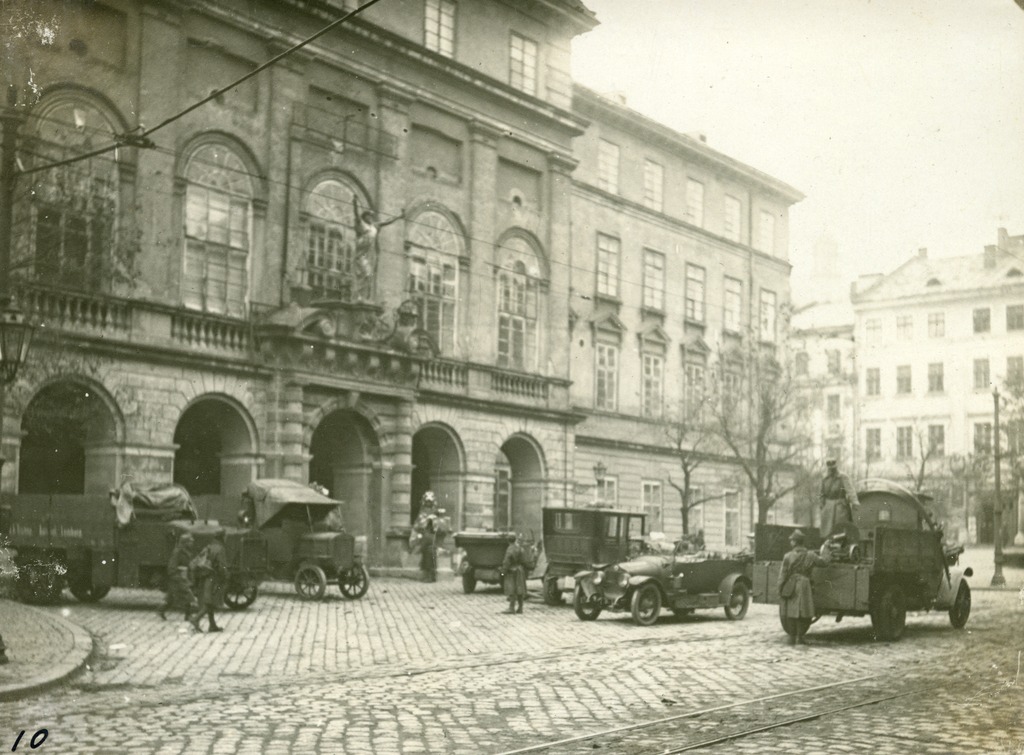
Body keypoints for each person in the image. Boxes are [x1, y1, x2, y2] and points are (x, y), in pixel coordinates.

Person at [777, 529, 829, 646]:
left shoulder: (788, 556)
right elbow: (824, 562)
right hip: (805, 585)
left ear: (795, 542)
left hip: (792, 584)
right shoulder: (811, 555)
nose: (790, 542)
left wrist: (780, 589)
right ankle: (800, 638)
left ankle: (791, 638)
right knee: (804, 611)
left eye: (792, 540)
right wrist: (826, 548)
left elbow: (783, 574)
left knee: (791, 611)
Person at [352, 197, 403, 301]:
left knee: (369, 275)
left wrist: (399, 216)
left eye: (371, 216)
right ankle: (358, 297)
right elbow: (356, 214)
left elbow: (387, 222)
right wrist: (355, 203)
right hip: (361, 255)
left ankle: (364, 297)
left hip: (370, 255)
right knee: (363, 274)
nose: (370, 218)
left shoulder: (375, 226)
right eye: (368, 216)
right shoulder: (361, 224)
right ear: (364, 217)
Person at [190, 531, 228, 633]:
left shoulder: (209, 546)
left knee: (209, 601)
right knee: (210, 602)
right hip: (213, 579)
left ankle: (212, 625)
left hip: (205, 577)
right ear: (222, 537)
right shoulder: (220, 549)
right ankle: (196, 619)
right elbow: (222, 566)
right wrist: (225, 576)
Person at [159, 532, 198, 622]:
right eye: (190, 542)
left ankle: (161, 610)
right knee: (188, 595)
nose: (192, 543)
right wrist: (177, 577)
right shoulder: (178, 552)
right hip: (178, 577)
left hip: (183, 577)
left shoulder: (185, 551)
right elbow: (172, 567)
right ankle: (188, 615)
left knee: (172, 597)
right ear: (185, 543)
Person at [819, 458, 859, 538]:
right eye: (830, 468)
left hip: (840, 507)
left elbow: (850, 490)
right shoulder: (824, 479)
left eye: (833, 468)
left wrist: (854, 502)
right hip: (828, 507)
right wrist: (822, 505)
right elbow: (821, 493)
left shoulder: (843, 477)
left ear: (836, 467)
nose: (831, 470)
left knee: (840, 528)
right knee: (827, 531)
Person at [412, 491, 446, 582]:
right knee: (426, 552)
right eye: (427, 502)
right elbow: (418, 525)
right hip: (424, 538)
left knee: (430, 552)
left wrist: (434, 519)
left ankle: (431, 575)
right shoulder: (422, 513)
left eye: (430, 503)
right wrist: (426, 520)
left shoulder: (436, 513)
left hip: (433, 538)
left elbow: (441, 526)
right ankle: (428, 574)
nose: (428, 504)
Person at [501, 533, 535, 615]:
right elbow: (524, 560)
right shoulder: (520, 548)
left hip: (511, 571)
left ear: (508, 541)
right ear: (515, 539)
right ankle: (520, 608)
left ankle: (511, 608)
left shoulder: (510, 549)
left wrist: (503, 573)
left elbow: (506, 562)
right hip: (520, 570)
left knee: (511, 589)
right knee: (520, 589)